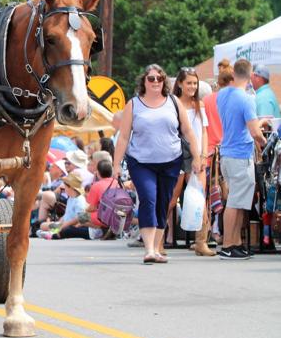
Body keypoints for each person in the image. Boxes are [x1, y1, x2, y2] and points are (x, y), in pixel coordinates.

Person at [112, 64, 201, 264]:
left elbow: (187, 131)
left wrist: (197, 157)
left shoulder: (173, 102)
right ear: (143, 81)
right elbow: (124, 137)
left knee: (164, 203)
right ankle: (149, 249)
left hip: (171, 161)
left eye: (159, 79)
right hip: (141, 162)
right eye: (151, 78)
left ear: (164, 82)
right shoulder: (133, 104)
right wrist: (116, 164)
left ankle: (156, 247)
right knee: (148, 198)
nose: (155, 82)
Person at [217, 59, 267, 260]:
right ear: (249, 75)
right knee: (235, 203)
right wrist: (263, 139)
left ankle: (235, 242)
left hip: (227, 152)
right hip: (240, 154)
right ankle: (229, 244)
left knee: (236, 200)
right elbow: (255, 131)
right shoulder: (246, 99)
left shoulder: (222, 94)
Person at [167, 66, 212, 256]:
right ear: (180, 83)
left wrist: (202, 156)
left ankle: (201, 242)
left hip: (196, 156)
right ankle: (159, 239)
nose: (192, 87)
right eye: (189, 83)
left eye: (195, 83)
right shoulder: (172, 104)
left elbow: (203, 131)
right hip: (176, 154)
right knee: (171, 199)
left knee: (199, 199)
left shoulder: (199, 105)